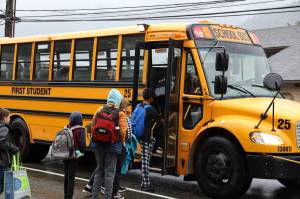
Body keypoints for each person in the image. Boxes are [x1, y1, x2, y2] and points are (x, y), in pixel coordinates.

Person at [91, 89, 127, 199]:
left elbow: (93, 125)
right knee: (110, 173)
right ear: (118, 100)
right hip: (113, 146)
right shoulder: (120, 114)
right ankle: (107, 196)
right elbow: (123, 132)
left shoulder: (99, 110)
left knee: (99, 171)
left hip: (98, 145)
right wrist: (122, 142)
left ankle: (94, 196)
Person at [138, 88, 163, 192]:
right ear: (151, 98)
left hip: (141, 137)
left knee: (145, 160)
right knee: (145, 162)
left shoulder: (139, 106)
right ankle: (146, 185)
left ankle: (144, 183)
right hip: (147, 138)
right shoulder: (151, 109)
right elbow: (161, 122)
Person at [63, 111, 85, 199]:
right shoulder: (80, 130)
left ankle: (65, 195)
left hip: (65, 155)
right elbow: (82, 144)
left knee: (66, 175)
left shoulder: (66, 127)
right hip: (74, 155)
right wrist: (81, 153)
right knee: (71, 177)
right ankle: (69, 196)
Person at [0, 108, 19, 195]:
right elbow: (2, 142)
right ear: (4, 118)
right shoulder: (4, 128)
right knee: (1, 186)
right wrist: (13, 148)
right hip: (2, 162)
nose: (10, 119)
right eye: (8, 117)